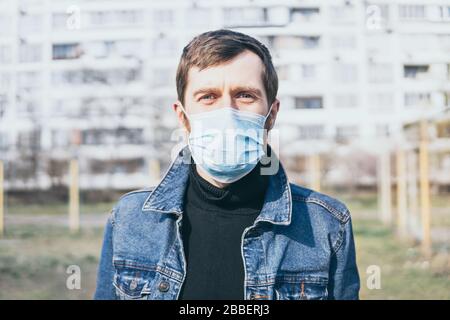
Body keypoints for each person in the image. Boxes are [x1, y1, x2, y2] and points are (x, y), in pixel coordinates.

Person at [94, 29, 360, 300]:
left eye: (245, 95)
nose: (227, 113)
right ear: (183, 117)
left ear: (271, 115)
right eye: (208, 96)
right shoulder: (129, 219)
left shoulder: (326, 224)